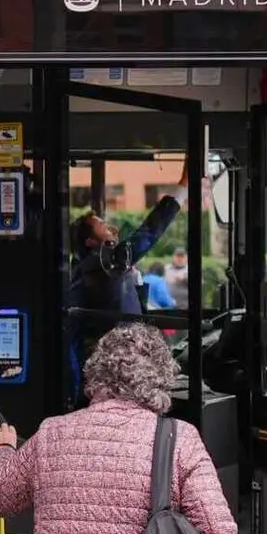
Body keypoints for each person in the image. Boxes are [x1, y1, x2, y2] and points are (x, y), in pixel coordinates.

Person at [0, 323, 238, 534]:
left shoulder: (52, 432)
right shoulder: (181, 439)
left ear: (96, 372)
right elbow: (220, 533)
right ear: (162, 378)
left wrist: (3, 449)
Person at [66, 162, 190, 406]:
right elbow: (149, 232)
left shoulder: (86, 269)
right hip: (117, 366)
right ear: (91, 242)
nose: (112, 229)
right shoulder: (105, 262)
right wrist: (183, 186)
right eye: (102, 226)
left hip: (104, 369)